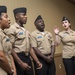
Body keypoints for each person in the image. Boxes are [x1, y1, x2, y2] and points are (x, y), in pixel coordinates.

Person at [4, 7, 42, 75]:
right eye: (23, 15)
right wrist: (20, 63)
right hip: (18, 58)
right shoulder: (12, 29)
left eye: (26, 15)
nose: (26, 16)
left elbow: (30, 48)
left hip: (27, 58)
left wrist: (37, 61)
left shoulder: (25, 30)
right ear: (17, 16)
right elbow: (10, 49)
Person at [0, 6, 16, 75]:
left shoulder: (4, 34)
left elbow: (9, 54)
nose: (8, 20)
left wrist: (14, 70)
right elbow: (1, 56)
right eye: (6, 17)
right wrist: (10, 71)